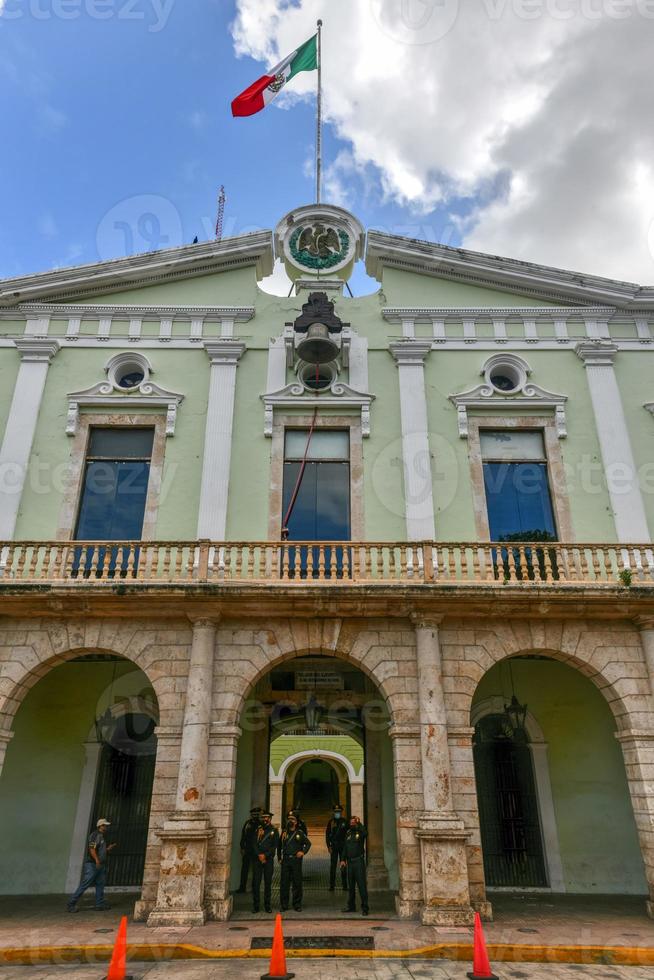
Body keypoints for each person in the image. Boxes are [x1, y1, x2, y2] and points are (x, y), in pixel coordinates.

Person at [67, 818, 117, 912]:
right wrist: (97, 861)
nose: (106, 827)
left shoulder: (101, 836)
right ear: (100, 826)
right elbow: (92, 849)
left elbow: (99, 850)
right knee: (85, 884)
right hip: (93, 864)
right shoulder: (95, 835)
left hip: (99, 864)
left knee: (100, 884)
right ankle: (71, 903)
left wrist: (107, 849)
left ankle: (99, 904)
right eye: (105, 825)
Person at [278, 814, 311, 912]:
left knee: (297, 883)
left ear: (296, 822)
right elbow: (279, 845)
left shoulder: (299, 833)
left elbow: (308, 844)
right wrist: (279, 857)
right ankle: (284, 905)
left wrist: (303, 852)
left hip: (296, 861)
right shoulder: (284, 833)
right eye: (289, 819)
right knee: (284, 883)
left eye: (292, 819)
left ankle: (297, 904)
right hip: (286, 860)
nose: (290, 821)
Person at [251, 810, 279, 913]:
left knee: (268, 884)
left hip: (268, 860)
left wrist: (265, 855)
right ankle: (256, 906)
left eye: (267, 818)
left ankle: (267, 906)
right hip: (257, 860)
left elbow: (274, 846)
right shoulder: (257, 829)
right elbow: (254, 843)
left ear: (270, 819)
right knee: (256, 883)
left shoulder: (274, 831)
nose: (265, 819)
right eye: (263, 818)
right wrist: (259, 855)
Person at [341, 815, 369, 916]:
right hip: (350, 863)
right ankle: (351, 906)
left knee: (361, 886)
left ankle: (365, 908)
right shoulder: (348, 833)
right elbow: (345, 847)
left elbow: (366, 833)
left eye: (354, 822)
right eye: (351, 822)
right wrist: (343, 860)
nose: (352, 824)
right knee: (351, 886)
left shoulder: (360, 832)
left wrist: (360, 823)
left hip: (359, 862)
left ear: (356, 823)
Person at [236, 806, 262, 893]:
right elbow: (243, 835)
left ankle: (255, 888)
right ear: (251, 815)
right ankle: (242, 887)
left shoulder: (261, 824)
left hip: (256, 850)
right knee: (244, 869)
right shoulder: (247, 823)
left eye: (256, 814)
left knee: (256, 870)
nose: (255, 816)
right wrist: (242, 847)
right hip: (247, 849)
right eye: (253, 814)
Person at [325, 804, 348, 891]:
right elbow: (327, 835)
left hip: (342, 846)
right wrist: (328, 846)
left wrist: (347, 847)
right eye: (336, 812)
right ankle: (332, 885)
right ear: (333, 812)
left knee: (343, 865)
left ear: (341, 812)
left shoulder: (344, 822)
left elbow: (347, 834)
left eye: (338, 812)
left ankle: (345, 885)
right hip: (334, 846)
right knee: (333, 866)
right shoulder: (331, 822)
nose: (337, 813)